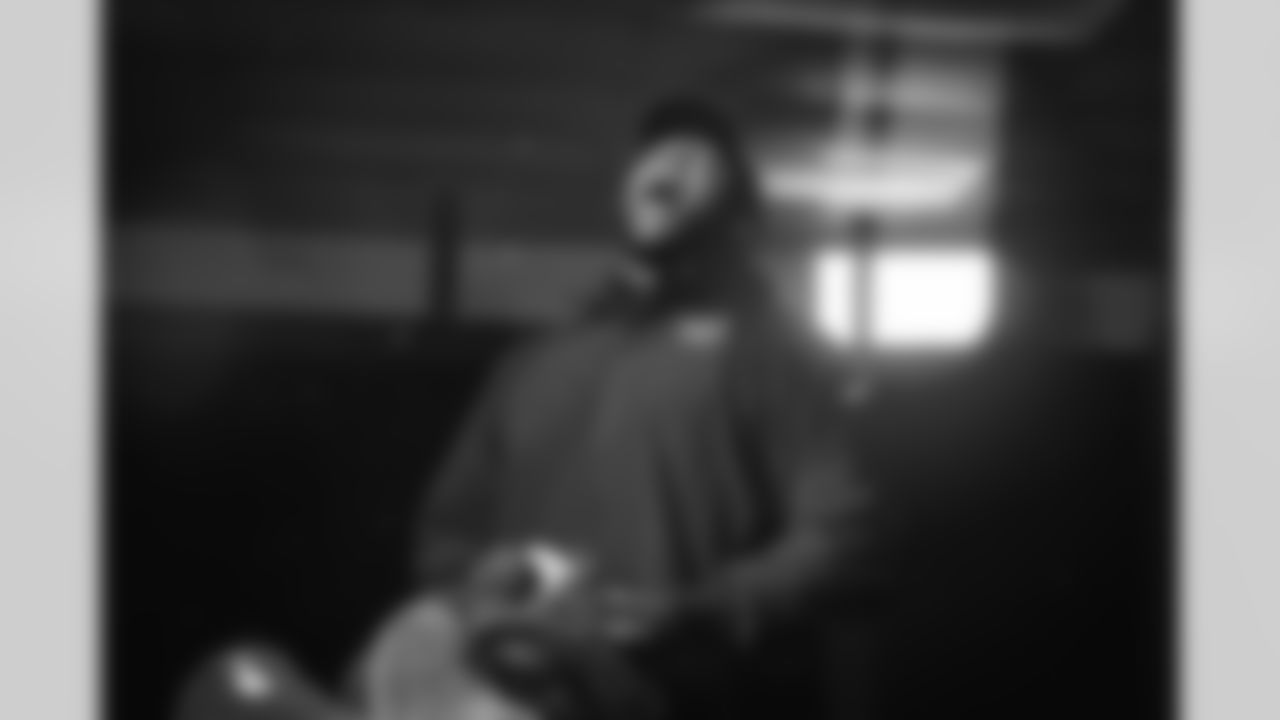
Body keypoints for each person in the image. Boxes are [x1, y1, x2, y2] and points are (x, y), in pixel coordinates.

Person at [405, 97, 875, 720]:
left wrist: (703, 609)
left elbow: (846, 540)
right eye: (653, 151)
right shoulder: (537, 359)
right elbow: (444, 537)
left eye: (699, 155)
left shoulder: (774, 351)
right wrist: (478, 577)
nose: (669, 161)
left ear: (740, 211)